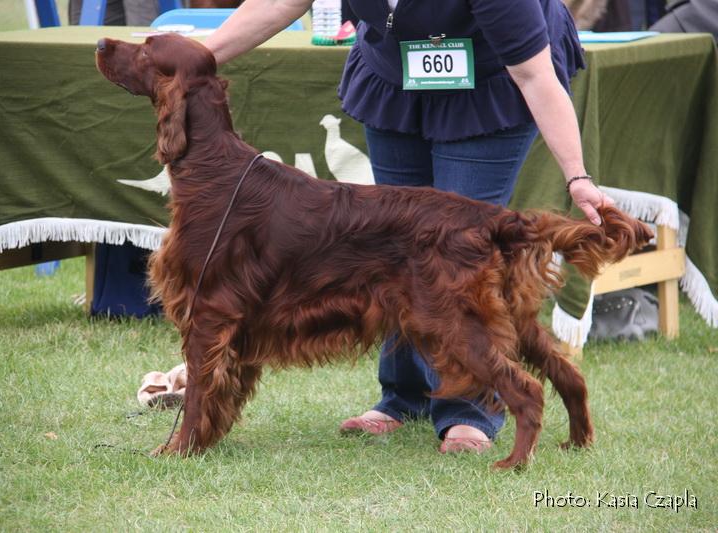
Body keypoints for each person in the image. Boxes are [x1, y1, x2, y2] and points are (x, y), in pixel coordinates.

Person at [203, 0, 611, 454]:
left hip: (492, 79)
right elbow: (281, 2)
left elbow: (535, 76)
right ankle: (403, 397)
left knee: (458, 260)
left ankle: (469, 413)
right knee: (394, 254)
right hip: (397, 75)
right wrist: (199, 56)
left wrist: (577, 176)